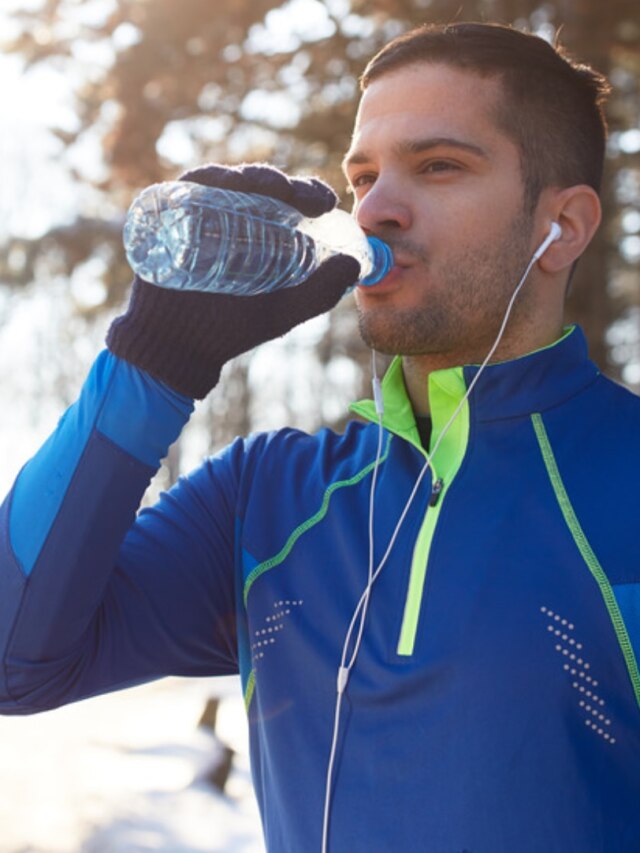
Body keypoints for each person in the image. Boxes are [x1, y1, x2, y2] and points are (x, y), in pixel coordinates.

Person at [1, 20, 639, 853]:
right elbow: (17, 658)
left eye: (439, 166)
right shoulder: (264, 498)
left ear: (564, 227)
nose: (375, 209)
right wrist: (152, 365)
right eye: (363, 175)